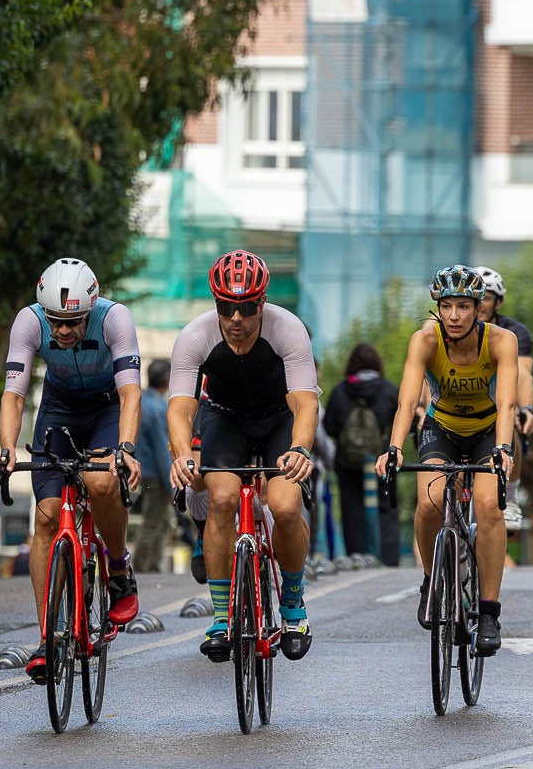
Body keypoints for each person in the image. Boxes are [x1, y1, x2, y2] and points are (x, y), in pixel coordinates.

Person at [0, 259, 142, 682]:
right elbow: (14, 395)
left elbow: (129, 392)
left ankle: (117, 567)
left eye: (73, 321)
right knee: (47, 515)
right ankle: (48, 638)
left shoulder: (115, 319)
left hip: (107, 407)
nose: (64, 330)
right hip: (59, 408)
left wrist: (125, 448)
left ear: (89, 311)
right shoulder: (29, 321)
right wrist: (5, 448)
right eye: (57, 321)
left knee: (101, 481)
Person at [167, 251, 320, 661]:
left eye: (247, 308)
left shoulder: (288, 329)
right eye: (226, 308)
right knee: (220, 499)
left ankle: (293, 601)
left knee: (286, 507)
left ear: (262, 303)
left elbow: (305, 404)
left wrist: (301, 448)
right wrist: (183, 455)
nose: (236, 319)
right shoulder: (195, 336)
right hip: (225, 418)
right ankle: (221, 615)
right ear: (216, 304)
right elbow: (180, 408)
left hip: (278, 419)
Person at [376, 265, 519, 655]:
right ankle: (430, 580)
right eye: (447, 306)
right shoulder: (425, 340)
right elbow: (407, 401)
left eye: (463, 307)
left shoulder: (501, 342)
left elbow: (507, 403)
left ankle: (488, 611)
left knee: (489, 507)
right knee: (429, 503)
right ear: (437, 307)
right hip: (443, 429)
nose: (454, 316)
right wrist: (394, 448)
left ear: (479, 308)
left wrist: (503, 449)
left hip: (488, 431)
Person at [321, 342, 400, 567]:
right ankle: (389, 558)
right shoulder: (388, 389)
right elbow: (404, 421)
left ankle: (356, 556)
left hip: (347, 462)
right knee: (388, 506)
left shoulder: (340, 391)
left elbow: (329, 427)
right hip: (383, 459)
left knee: (351, 508)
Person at [474, 266, 533, 532]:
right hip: (458, 401)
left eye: (486, 297)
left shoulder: (514, 332)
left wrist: (526, 409)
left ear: (498, 302)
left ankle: (511, 495)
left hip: (499, 397)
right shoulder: (449, 326)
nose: (479, 304)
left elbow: (522, 373)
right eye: (474, 297)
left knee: (511, 425)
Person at [131, 359, 173, 573]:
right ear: (167, 379)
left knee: (162, 521)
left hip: (143, 471)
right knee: (152, 523)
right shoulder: (158, 408)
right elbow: (162, 449)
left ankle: (154, 565)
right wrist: (172, 483)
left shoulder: (142, 402)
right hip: (157, 474)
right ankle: (142, 567)